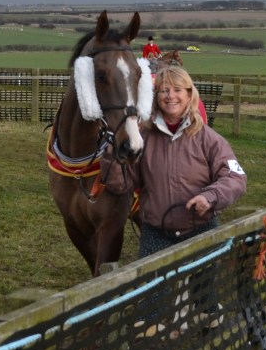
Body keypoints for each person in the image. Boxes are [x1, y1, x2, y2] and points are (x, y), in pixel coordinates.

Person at [104, 66, 247, 257]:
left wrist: (210, 197)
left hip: (201, 233)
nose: (170, 96)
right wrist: (112, 153)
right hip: (155, 236)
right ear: (156, 97)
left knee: (203, 288)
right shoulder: (142, 137)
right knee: (157, 288)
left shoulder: (210, 139)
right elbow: (120, 184)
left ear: (189, 95)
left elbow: (235, 178)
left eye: (177, 90)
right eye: (164, 90)